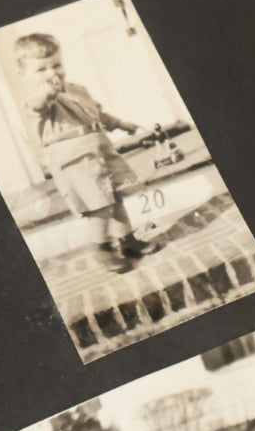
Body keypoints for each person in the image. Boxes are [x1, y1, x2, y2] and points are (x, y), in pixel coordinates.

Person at [14, 33, 159, 274]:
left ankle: (127, 240)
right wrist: (47, 92)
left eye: (56, 65)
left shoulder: (77, 90)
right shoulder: (35, 99)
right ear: (24, 75)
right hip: (75, 160)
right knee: (98, 205)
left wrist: (122, 124)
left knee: (116, 196)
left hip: (100, 148)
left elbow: (99, 115)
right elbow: (38, 106)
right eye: (41, 69)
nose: (52, 73)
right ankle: (101, 248)